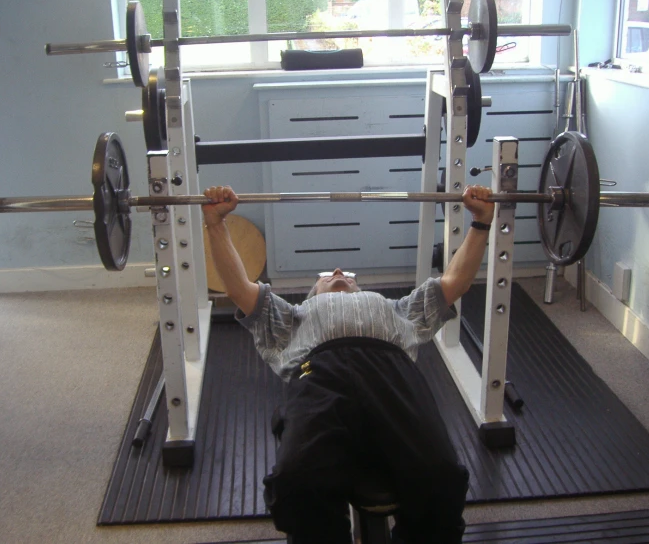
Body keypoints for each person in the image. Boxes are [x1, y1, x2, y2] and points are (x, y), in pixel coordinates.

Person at [202, 185, 495, 544]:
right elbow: (236, 286)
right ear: (314, 294)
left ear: (361, 289)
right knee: (296, 482)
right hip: (321, 376)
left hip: (391, 374)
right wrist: (216, 223)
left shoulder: (395, 308)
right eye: (326, 276)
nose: (339, 271)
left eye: (348, 275)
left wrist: (481, 222)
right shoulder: (292, 316)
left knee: (443, 476)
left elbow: (455, 282)